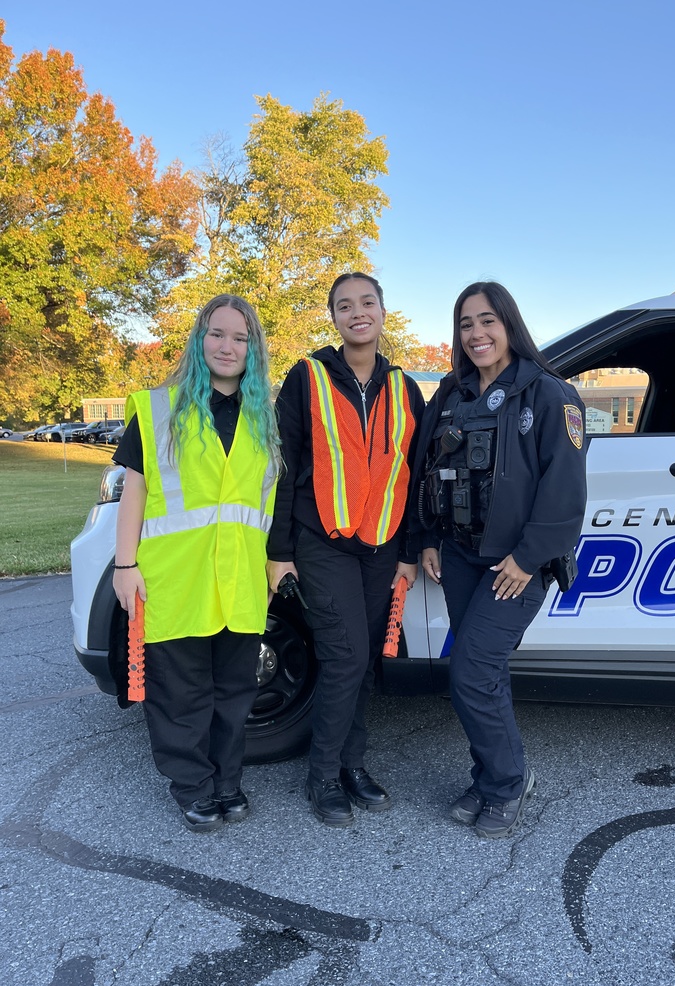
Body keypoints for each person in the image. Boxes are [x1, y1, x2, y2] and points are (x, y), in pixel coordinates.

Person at [412, 282, 587, 839]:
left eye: (487, 321)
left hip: (514, 565)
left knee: (470, 671)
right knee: (482, 674)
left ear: (509, 324)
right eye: (465, 324)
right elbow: (426, 472)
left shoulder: (550, 395)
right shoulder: (450, 394)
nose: (476, 333)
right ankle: (488, 777)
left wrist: (528, 558)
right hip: (461, 555)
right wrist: (429, 538)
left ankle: (509, 782)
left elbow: (565, 492)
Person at [112, 295, 280, 833]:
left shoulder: (266, 419)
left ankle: (227, 782)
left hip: (241, 581)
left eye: (240, 337)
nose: (228, 346)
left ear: (253, 349)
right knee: (182, 696)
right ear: (198, 340)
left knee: (235, 695)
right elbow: (133, 493)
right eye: (217, 334)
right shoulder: (161, 407)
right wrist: (123, 565)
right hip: (175, 578)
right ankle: (192, 787)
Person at [266, 272, 425, 827]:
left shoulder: (405, 387)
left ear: (383, 311)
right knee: (345, 656)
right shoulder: (306, 377)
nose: (357, 312)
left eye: (367, 302)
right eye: (344, 305)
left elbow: (417, 475)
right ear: (333, 317)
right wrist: (279, 550)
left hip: (382, 546)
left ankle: (352, 767)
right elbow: (283, 467)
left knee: (362, 664)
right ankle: (323, 776)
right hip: (322, 542)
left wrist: (410, 550)